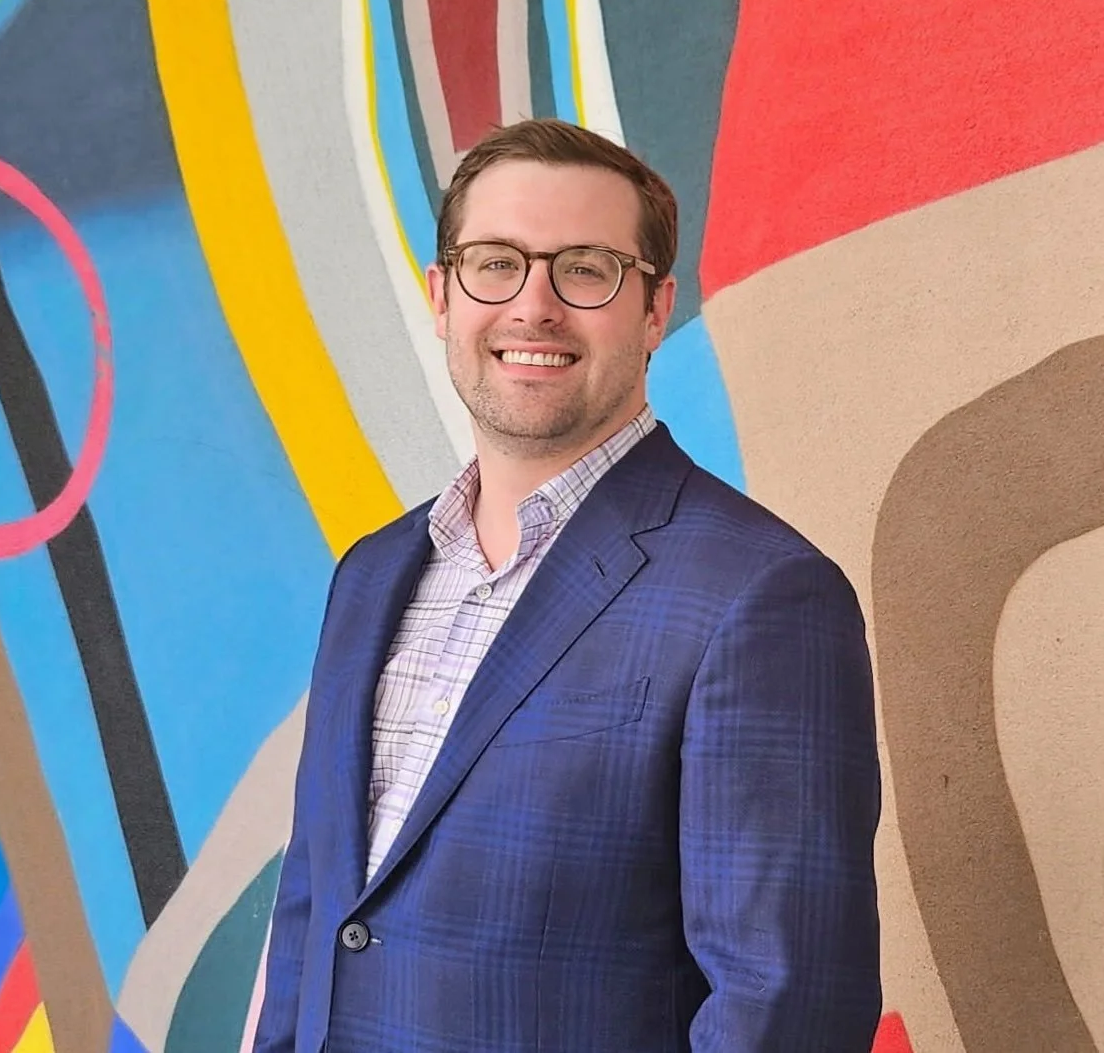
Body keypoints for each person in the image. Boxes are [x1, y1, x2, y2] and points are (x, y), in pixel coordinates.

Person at [253, 119, 881, 1052]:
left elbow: (787, 1007)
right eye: (494, 263)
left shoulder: (760, 596)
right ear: (441, 295)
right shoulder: (371, 574)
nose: (533, 306)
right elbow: (316, 920)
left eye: (585, 269)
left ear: (655, 309)